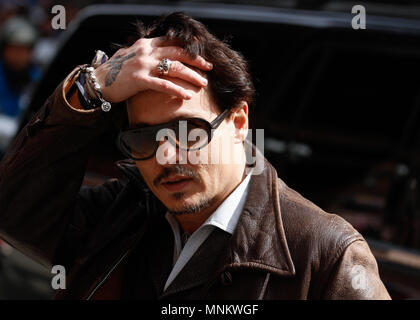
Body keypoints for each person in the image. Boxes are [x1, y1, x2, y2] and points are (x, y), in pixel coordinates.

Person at [0, 12, 390, 300]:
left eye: (187, 131)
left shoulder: (325, 254)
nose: (166, 154)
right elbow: (14, 213)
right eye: (144, 138)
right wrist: (89, 88)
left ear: (239, 122)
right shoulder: (123, 212)